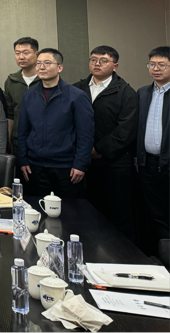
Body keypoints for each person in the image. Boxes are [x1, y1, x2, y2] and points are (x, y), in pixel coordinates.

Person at [73, 46, 138, 239]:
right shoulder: (77, 88)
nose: (97, 64)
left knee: (118, 213)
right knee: (85, 210)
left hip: (115, 163)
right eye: (93, 59)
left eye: (103, 61)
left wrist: (98, 149)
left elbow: (126, 129)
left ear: (115, 66)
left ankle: (121, 253)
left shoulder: (126, 92)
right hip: (82, 162)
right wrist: (83, 150)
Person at [17, 48, 94, 198]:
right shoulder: (28, 96)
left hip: (66, 167)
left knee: (69, 210)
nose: (41, 67)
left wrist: (80, 164)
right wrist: (23, 160)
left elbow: (86, 134)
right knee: (35, 208)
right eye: (38, 63)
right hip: (35, 166)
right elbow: (23, 131)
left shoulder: (77, 96)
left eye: (47, 63)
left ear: (60, 67)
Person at [136, 46, 170, 245]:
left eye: (162, 65)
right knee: (154, 213)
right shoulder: (143, 93)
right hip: (148, 164)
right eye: (152, 64)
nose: (156, 69)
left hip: (168, 163)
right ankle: (161, 254)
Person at [3, 37, 41, 151]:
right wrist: (9, 140)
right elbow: (10, 113)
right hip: (18, 141)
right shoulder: (11, 81)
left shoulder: (46, 79)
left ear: (37, 54)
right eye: (17, 53)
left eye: (26, 53)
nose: (21, 57)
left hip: (43, 140)